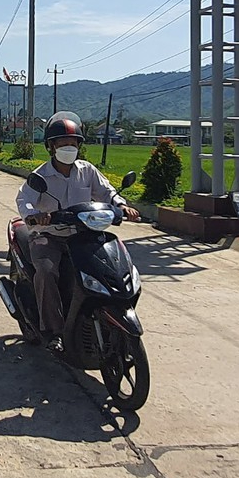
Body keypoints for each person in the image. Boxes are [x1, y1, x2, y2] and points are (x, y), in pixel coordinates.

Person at [16, 112, 140, 338]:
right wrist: (35, 216)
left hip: (84, 235)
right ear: (51, 147)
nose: (68, 148)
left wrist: (121, 206)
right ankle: (52, 331)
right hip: (49, 235)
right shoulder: (40, 175)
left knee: (112, 266)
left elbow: (106, 191)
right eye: (63, 143)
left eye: (73, 143)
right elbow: (24, 199)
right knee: (45, 271)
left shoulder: (87, 171)